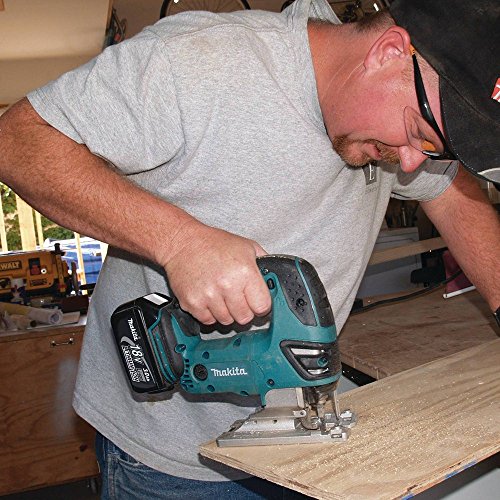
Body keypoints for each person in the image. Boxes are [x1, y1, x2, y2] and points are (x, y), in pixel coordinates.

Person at [0, 0, 498, 497]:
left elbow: (452, 196)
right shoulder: (197, 61)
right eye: (416, 134)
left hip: (302, 441)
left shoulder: (397, 131)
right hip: (170, 458)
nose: (411, 163)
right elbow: (19, 141)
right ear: (388, 52)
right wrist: (180, 242)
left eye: (431, 148)